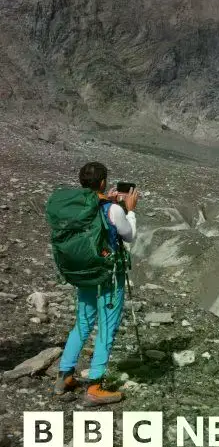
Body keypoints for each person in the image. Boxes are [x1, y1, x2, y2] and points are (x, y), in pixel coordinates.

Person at [53, 162, 139, 406]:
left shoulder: (80, 206)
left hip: (85, 274)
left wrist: (107, 201)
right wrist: (129, 210)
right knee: (106, 329)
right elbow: (129, 236)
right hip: (108, 277)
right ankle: (94, 387)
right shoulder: (114, 209)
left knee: (82, 323)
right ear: (103, 183)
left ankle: (64, 377)